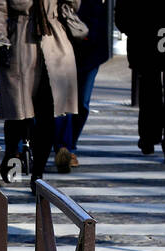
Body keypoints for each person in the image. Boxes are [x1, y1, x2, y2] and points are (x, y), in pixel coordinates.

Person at [0, 0, 80, 190]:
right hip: (19, 45)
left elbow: (74, 5)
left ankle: (38, 173)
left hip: (54, 45)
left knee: (47, 116)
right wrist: (0, 40)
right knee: (18, 113)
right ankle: (13, 153)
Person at [115, 0, 165, 163]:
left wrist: (133, 30)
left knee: (151, 91)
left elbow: (122, 14)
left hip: (147, 37)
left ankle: (151, 138)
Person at [52, 0, 110, 173]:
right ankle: (65, 148)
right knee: (64, 101)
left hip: (92, 48)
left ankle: (69, 142)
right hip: (63, 45)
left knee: (82, 104)